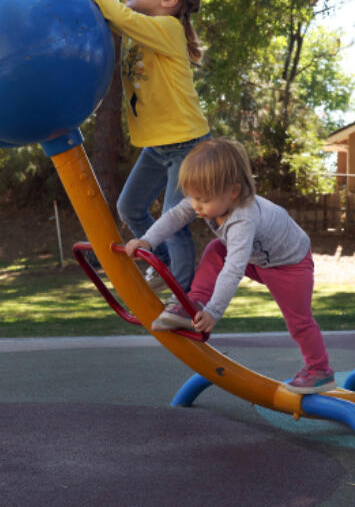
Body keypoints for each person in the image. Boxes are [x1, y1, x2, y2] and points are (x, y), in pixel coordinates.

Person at [13, 0, 209, 290]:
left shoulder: (167, 29)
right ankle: (160, 260)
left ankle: (184, 297)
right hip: (158, 146)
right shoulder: (138, 31)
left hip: (186, 144)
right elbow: (100, 18)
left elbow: (118, 13)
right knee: (129, 207)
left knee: (173, 221)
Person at [123, 138, 335, 395]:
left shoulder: (242, 218)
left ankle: (319, 370)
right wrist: (148, 240)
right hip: (259, 259)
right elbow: (176, 215)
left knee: (299, 321)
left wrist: (214, 312)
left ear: (233, 192)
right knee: (215, 250)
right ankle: (193, 303)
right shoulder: (210, 200)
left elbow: (234, 268)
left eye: (202, 198)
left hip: (290, 265)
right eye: (192, 196)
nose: (196, 205)